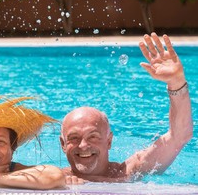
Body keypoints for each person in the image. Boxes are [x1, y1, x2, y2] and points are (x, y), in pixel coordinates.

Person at [60, 33, 193, 183]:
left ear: (109, 141)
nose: (83, 146)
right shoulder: (53, 177)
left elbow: (179, 136)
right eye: (74, 138)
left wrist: (176, 82)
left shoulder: (130, 173)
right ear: (63, 144)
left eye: (93, 136)